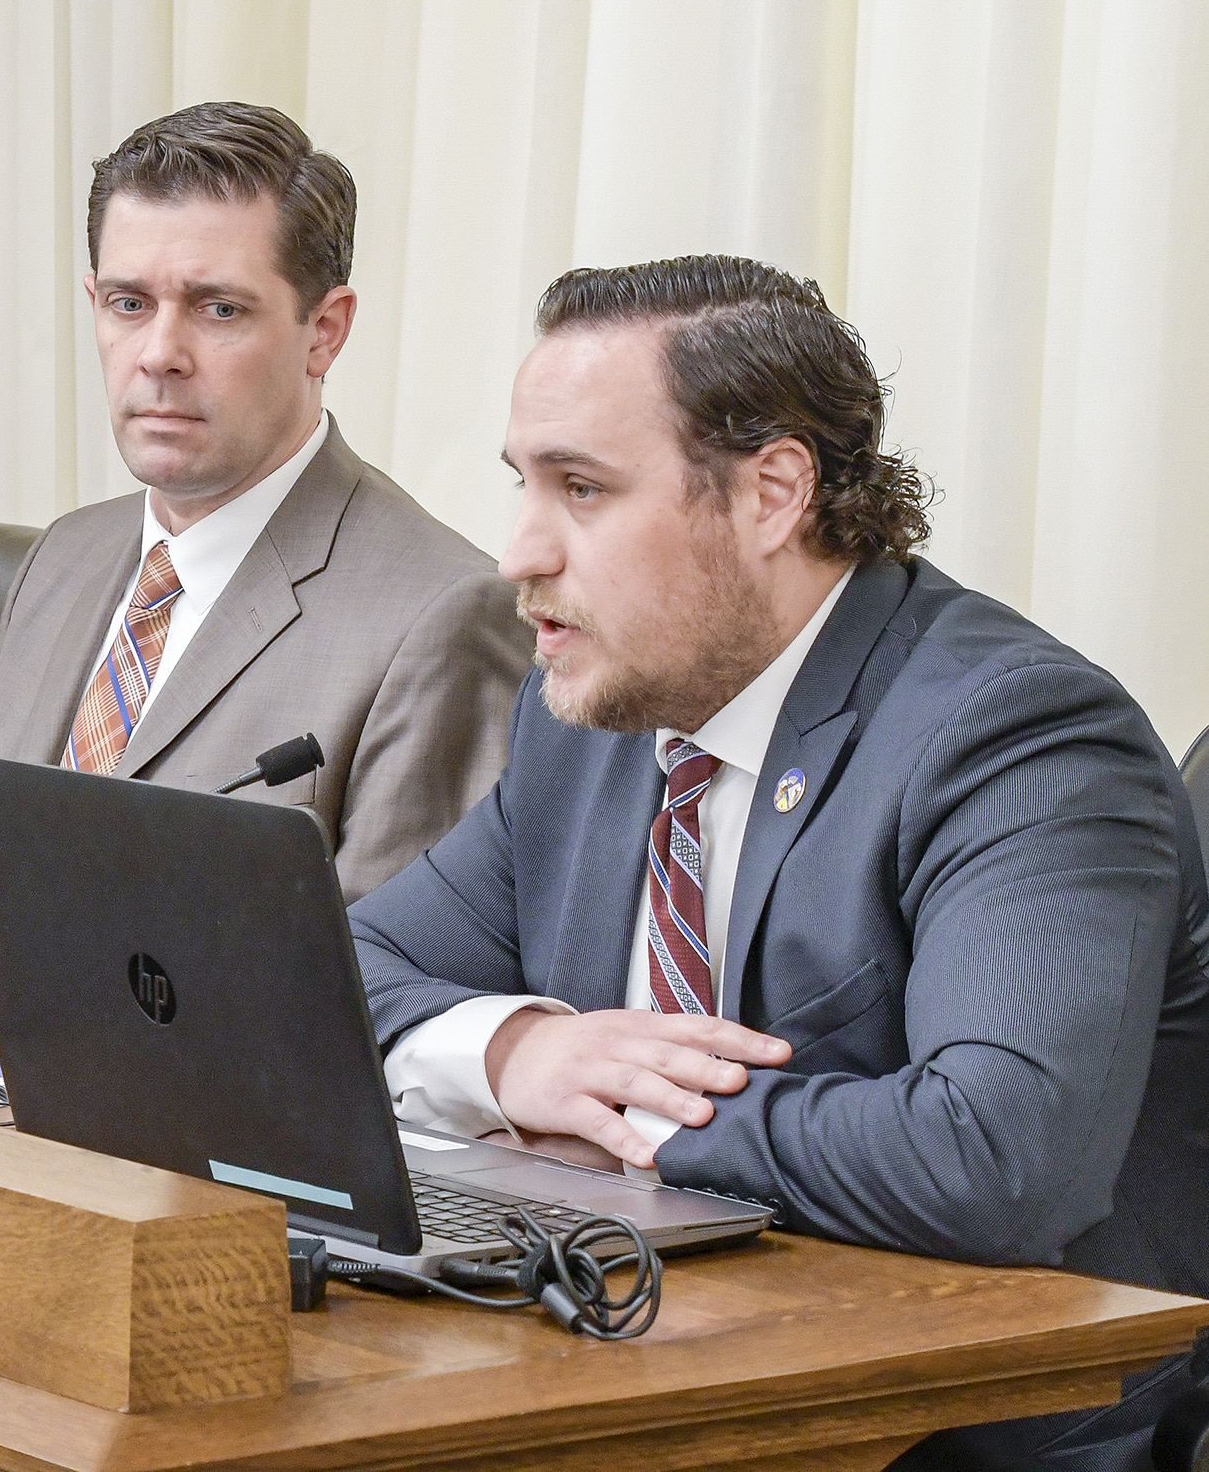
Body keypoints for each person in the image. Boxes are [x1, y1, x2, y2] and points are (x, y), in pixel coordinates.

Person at [352, 254, 1209, 1470]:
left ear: (771, 493)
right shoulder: (588, 721)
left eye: (582, 489)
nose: (518, 553)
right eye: (524, 485)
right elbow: (347, 965)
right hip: (666, 1368)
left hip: (969, 1429)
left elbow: (998, 1158)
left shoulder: (1019, 736)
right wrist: (519, 1053)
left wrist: (634, 1114)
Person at [0, 101, 532, 1014]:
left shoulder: (442, 612)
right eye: (130, 305)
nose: (161, 355)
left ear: (325, 331)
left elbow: (381, 998)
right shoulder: (69, 555)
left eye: (219, 309)